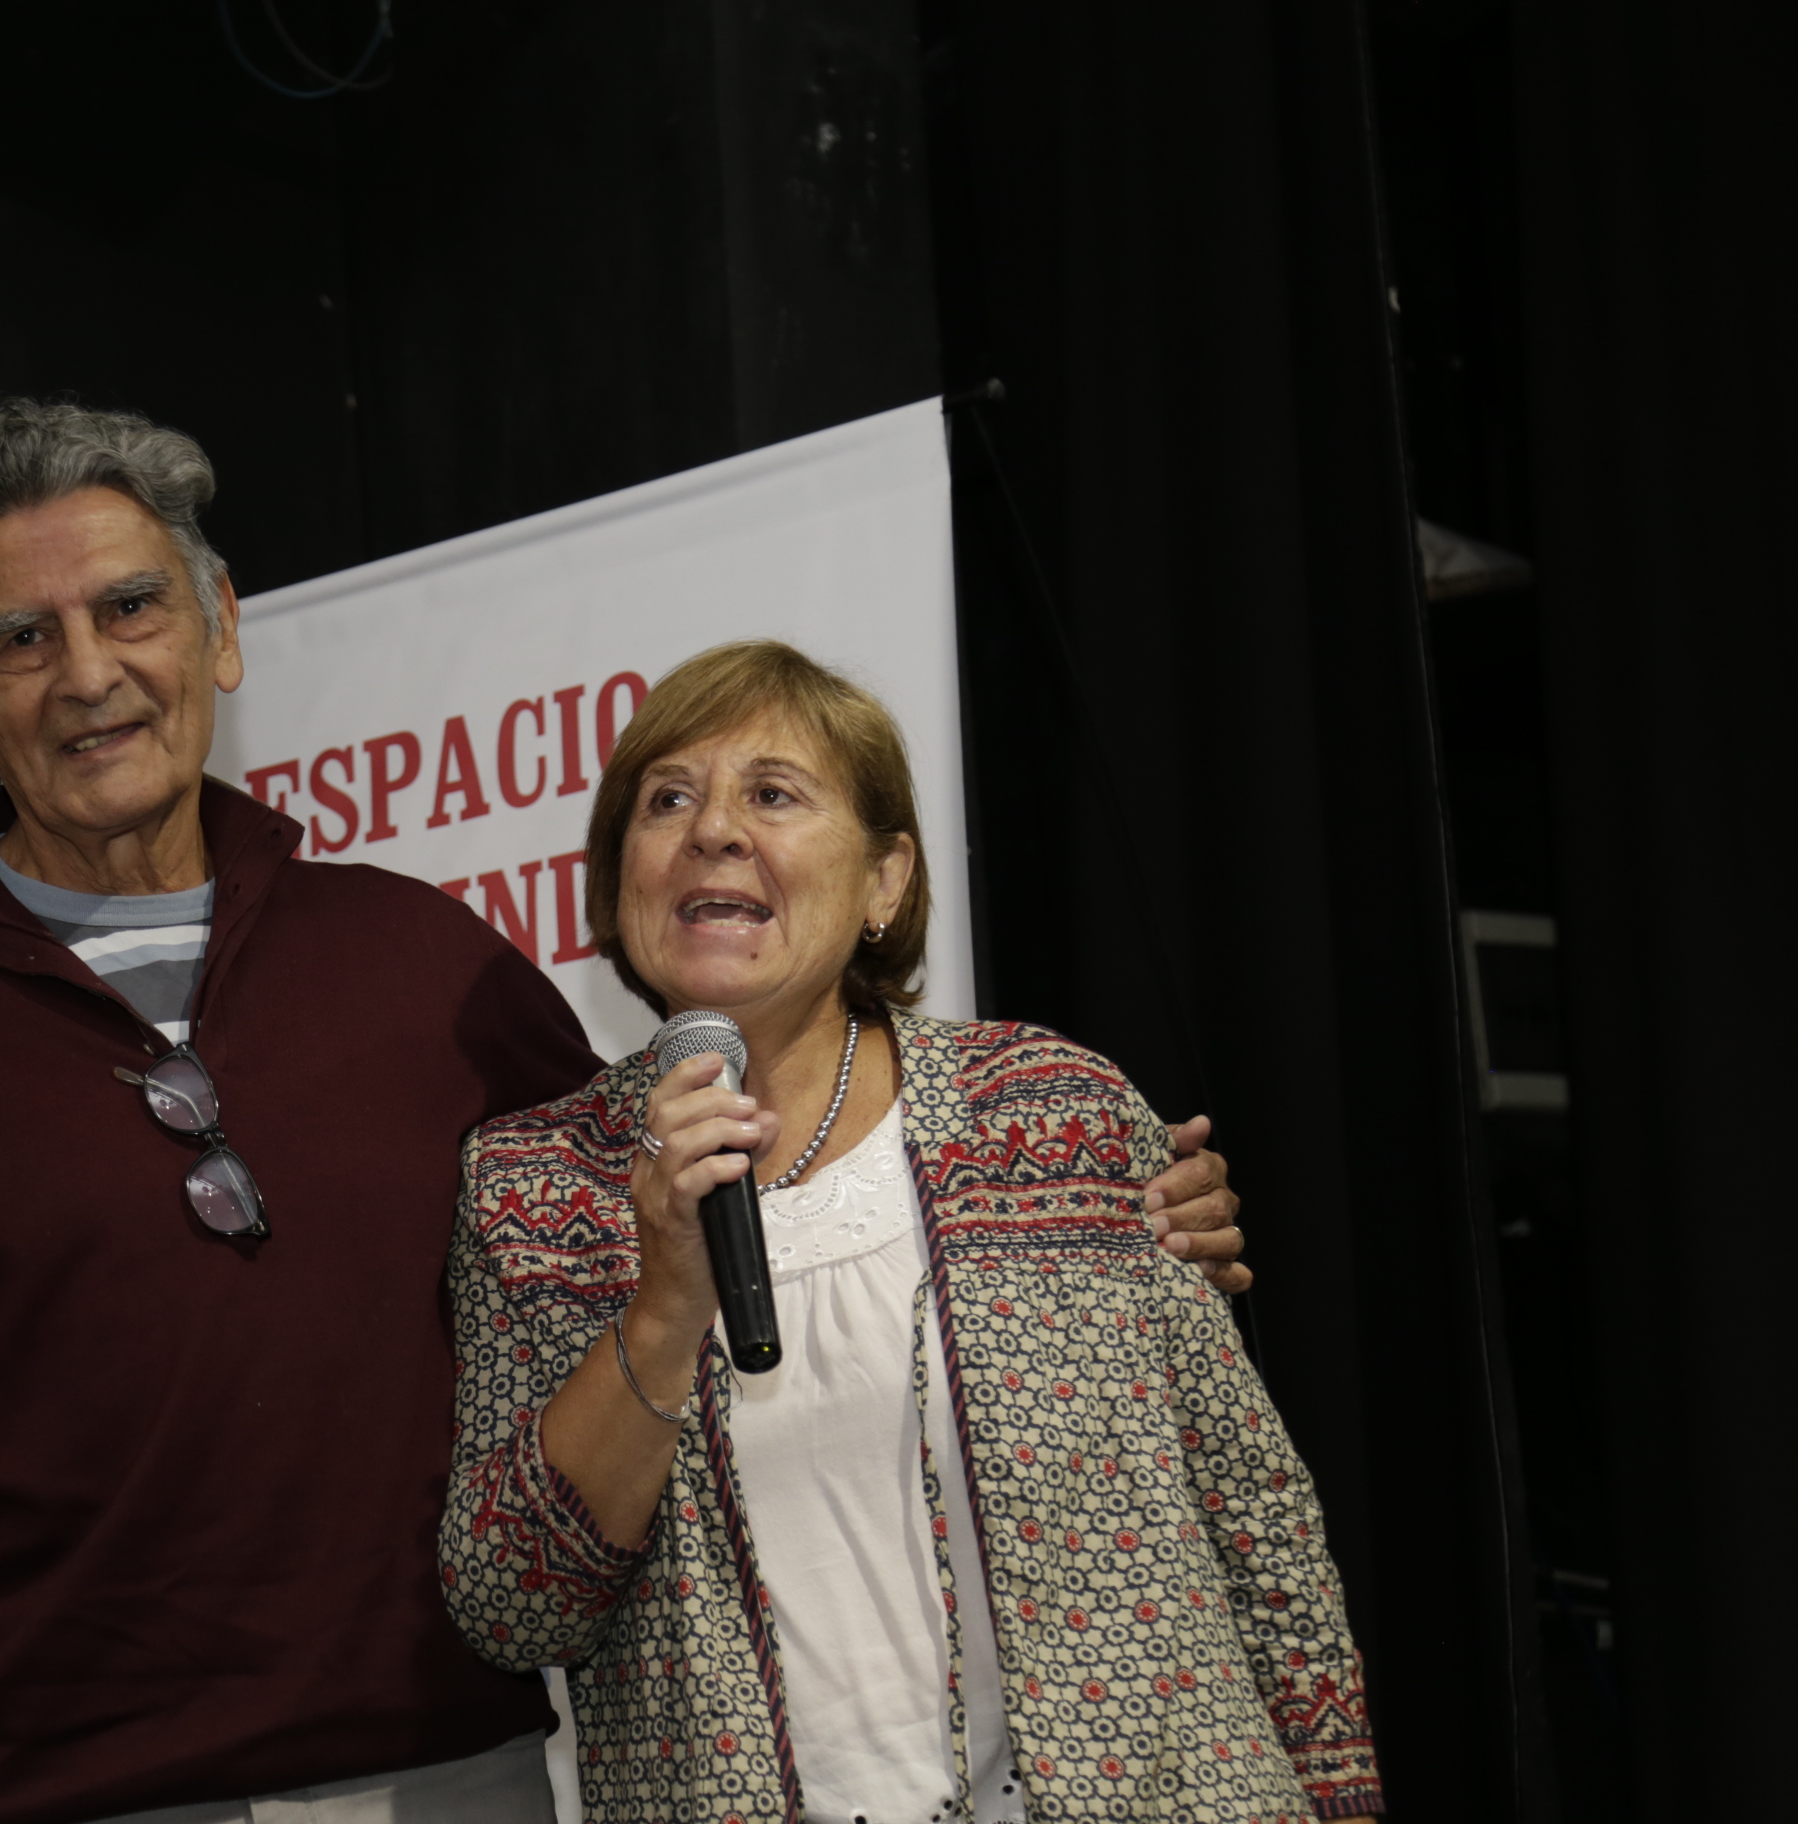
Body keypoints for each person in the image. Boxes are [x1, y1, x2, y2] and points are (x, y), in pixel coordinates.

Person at [0, 400, 1250, 1823]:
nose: (89, 673)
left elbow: (674, 1207)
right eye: (19, 638)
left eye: (132, 607)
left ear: (221, 628)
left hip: (453, 1783)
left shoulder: (428, 965)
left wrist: (1098, 1228)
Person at [440, 641, 1378, 1823]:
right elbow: (513, 1608)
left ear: (885, 879)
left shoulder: (1054, 1111)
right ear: (618, 881)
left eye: (772, 794)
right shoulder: (533, 1189)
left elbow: (1254, 1515)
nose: (712, 830)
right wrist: (668, 1306)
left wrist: (1339, 1797)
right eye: (666, 800)